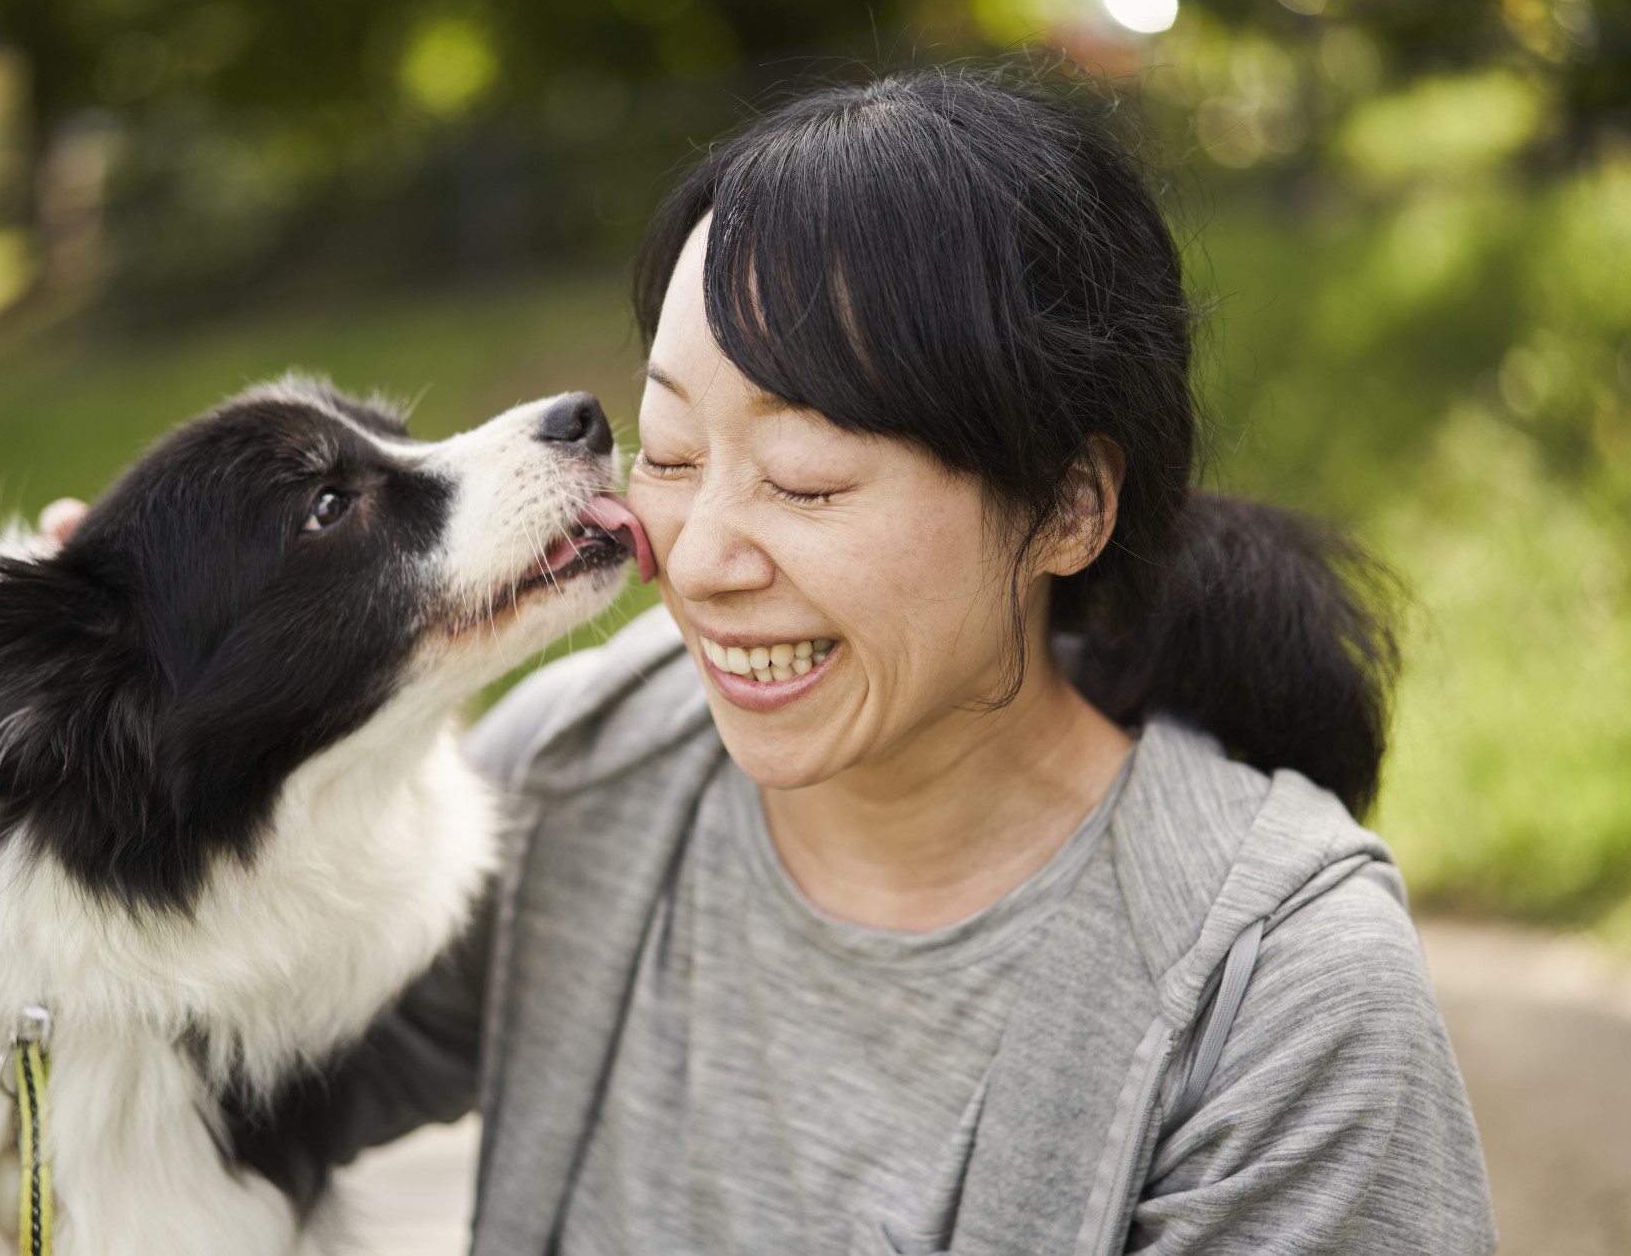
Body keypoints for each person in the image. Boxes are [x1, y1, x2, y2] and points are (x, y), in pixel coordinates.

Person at [134, 70, 1498, 1253]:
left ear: (1072, 506)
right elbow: (180, 1083)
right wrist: (120, 701)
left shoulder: (1280, 1001)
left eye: (806, 479)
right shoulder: (585, 767)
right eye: (667, 456)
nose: (701, 553)